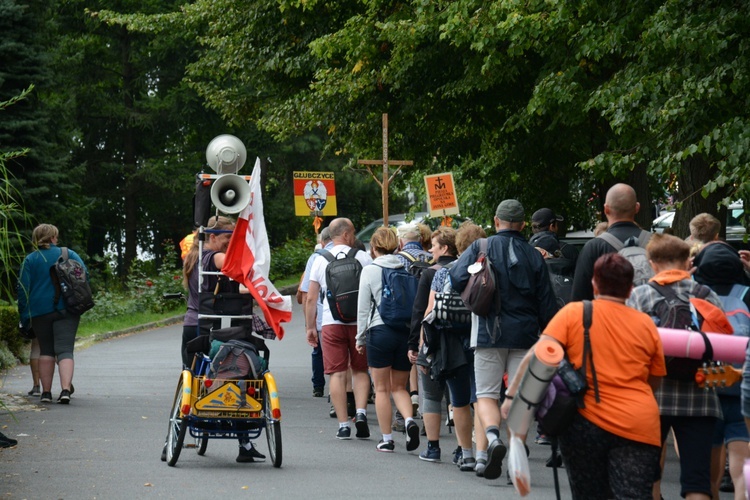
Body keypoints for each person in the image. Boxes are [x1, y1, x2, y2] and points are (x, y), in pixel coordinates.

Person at [502, 253, 666, 498]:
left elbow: (538, 355)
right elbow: (655, 380)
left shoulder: (574, 313)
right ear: (631, 289)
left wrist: (511, 398)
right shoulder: (646, 325)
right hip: (639, 424)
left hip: (586, 423)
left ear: (594, 283)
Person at [449, 199, 558, 480]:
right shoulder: (534, 255)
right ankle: (514, 462)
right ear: (523, 225)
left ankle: (493, 437)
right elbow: (546, 302)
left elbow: (455, 276)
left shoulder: (480, 247)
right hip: (525, 335)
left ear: (496, 221)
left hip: (487, 331)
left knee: (486, 393)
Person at [627, 233, 725, 500]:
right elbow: (722, 348)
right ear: (687, 261)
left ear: (652, 263)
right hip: (700, 400)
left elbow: (630, 351)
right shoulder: (707, 296)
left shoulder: (640, 297)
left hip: (651, 399)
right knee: (697, 483)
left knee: (646, 478)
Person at [178, 215, 265, 464]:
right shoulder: (213, 257)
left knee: (193, 383)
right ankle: (244, 441)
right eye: (227, 238)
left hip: (192, 325)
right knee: (231, 376)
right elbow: (235, 264)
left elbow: (231, 286)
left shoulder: (194, 257)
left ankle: (175, 436)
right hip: (204, 327)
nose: (230, 243)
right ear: (212, 236)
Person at [426, 222, 488, 474]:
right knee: (482, 398)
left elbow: (431, 312)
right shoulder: (490, 270)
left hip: (451, 342)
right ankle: (483, 453)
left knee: (459, 401)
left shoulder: (444, 272)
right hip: (483, 339)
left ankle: (467, 455)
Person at [305, 217, 373, 440]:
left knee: (336, 373)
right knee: (360, 370)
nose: (354, 237)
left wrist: (310, 327)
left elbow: (311, 298)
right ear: (345, 234)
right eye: (352, 232)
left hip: (331, 323)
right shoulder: (362, 257)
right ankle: (361, 413)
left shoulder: (320, 259)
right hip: (358, 323)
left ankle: (343, 424)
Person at [693, 241, 750, 499]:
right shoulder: (747, 293)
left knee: (709, 474)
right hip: (742, 389)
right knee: (741, 470)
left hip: (706, 389)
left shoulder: (696, 296)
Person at [355, 227, 419, 453]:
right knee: (399, 387)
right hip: (404, 331)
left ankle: (387, 439)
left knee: (381, 389)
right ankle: (410, 420)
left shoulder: (370, 270)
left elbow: (363, 308)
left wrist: (360, 337)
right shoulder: (406, 267)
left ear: (373, 248)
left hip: (380, 332)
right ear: (398, 246)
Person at [17, 224, 86, 404]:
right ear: (54, 237)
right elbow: (84, 275)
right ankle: (64, 390)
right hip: (67, 309)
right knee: (65, 351)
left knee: (46, 351)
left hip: (39, 311)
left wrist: (24, 316)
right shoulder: (69, 254)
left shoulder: (30, 260)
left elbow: (22, 290)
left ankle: (46, 393)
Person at [407, 226, 458, 463]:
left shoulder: (430, 274)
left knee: (430, 394)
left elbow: (421, 312)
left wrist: (415, 345)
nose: (430, 250)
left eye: (434, 246)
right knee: (460, 397)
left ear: (444, 248)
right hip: (461, 342)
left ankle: (433, 447)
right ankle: (464, 448)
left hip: (435, 341)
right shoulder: (467, 270)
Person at [571, 183, 650, 301]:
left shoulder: (593, 248)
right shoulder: (659, 243)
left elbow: (579, 299)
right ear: (637, 207)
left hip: (609, 318)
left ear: (606, 209)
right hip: (651, 318)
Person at [298, 227, 333, 398]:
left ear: (322, 242)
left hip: (321, 314)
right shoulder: (354, 253)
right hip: (348, 315)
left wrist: (308, 323)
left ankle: (318, 386)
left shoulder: (316, 258)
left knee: (317, 350)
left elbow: (307, 294)